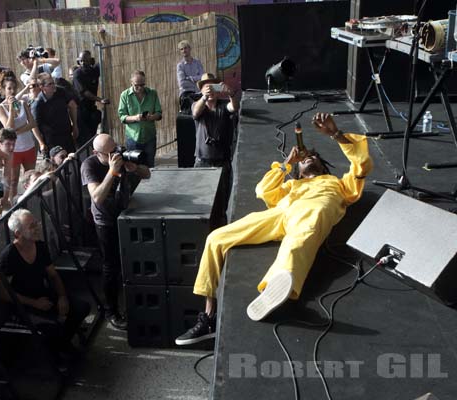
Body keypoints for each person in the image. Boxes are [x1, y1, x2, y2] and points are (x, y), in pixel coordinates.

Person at [174, 113, 373, 345]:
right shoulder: (291, 184)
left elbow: (361, 165)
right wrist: (287, 163)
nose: (309, 158)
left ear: (322, 166)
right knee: (216, 238)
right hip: (282, 212)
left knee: (298, 240)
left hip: (313, 209)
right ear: (297, 170)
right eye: (305, 158)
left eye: (314, 157)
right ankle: (208, 316)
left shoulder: (339, 185)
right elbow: (263, 190)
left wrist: (336, 134)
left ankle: (275, 287)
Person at [81, 133, 150, 330]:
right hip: (106, 220)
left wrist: (134, 167)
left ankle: (137, 301)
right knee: (110, 266)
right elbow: (97, 197)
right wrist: (111, 172)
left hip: (127, 213)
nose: (115, 155)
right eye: (109, 153)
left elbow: (148, 174)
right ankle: (111, 311)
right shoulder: (90, 165)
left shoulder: (121, 155)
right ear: (97, 153)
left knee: (133, 258)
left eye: (116, 149)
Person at [0, 209, 90, 355]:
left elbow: (53, 275)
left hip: (43, 295)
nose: (37, 228)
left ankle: (61, 346)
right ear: (18, 233)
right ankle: (58, 352)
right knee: (52, 327)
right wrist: (33, 303)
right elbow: (3, 294)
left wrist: (62, 297)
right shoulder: (9, 256)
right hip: (23, 306)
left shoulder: (40, 246)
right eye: (31, 226)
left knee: (82, 307)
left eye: (36, 223)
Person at [192, 72, 239, 213]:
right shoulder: (198, 104)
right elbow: (195, 113)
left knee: (223, 197)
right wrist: (204, 97)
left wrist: (231, 93)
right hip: (202, 160)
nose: (210, 90)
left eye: (213, 87)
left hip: (222, 160)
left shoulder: (224, 106)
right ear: (201, 90)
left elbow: (234, 107)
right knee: (200, 196)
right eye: (207, 87)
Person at [0, 71, 45, 199]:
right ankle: (13, 206)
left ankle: (33, 201)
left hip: (28, 146)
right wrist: (11, 109)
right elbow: (8, 127)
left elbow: (32, 123)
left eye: (13, 88)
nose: (12, 91)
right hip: (14, 150)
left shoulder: (23, 103)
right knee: (13, 181)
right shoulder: (0, 107)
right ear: (3, 90)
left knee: (31, 178)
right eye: (9, 88)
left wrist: (16, 133)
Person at [117, 70, 162, 168]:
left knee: (150, 166)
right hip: (133, 137)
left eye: (143, 85)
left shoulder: (152, 93)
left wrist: (151, 117)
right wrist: (136, 118)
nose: (140, 88)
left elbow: (159, 113)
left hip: (149, 136)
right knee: (134, 168)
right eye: (137, 85)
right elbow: (122, 116)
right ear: (131, 82)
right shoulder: (125, 95)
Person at [31, 72, 77, 153]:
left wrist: (75, 126)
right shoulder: (37, 104)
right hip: (51, 139)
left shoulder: (61, 92)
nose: (53, 85)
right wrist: (41, 143)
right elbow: (34, 125)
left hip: (66, 134)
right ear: (42, 87)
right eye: (50, 84)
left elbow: (73, 106)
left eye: (53, 82)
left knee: (72, 160)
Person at [72, 50, 109, 146]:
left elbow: (103, 58)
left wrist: (103, 41)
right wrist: (100, 99)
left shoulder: (94, 71)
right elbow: (84, 92)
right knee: (83, 137)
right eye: (81, 61)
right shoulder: (77, 74)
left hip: (90, 107)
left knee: (95, 122)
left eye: (86, 60)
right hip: (80, 109)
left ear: (91, 61)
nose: (83, 63)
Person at [176, 40, 204, 113]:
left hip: (198, 93)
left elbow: (203, 77)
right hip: (186, 95)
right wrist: (197, 80)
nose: (184, 50)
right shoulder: (180, 66)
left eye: (185, 48)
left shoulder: (197, 62)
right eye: (181, 49)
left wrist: (190, 78)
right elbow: (182, 84)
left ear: (189, 49)